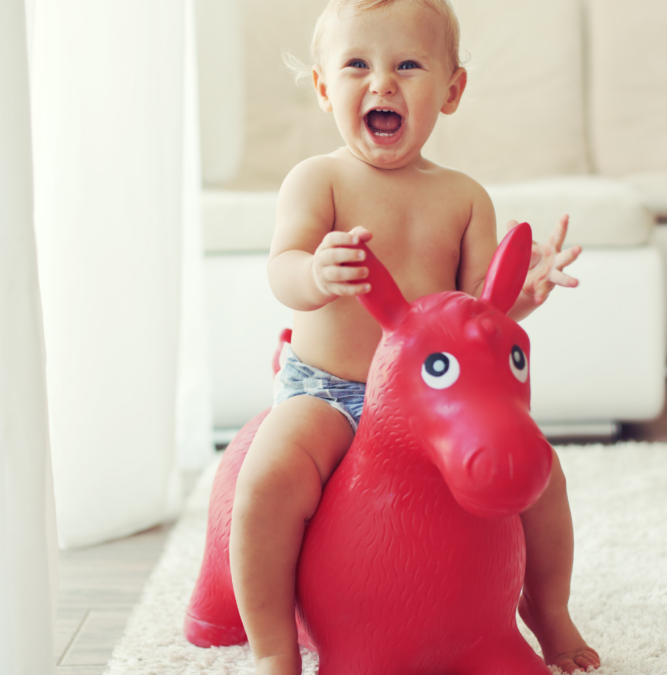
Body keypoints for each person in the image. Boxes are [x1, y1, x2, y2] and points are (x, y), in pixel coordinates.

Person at [228, 1, 601, 673]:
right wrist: (314, 271)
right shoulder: (319, 180)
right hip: (330, 393)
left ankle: (548, 608)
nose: (382, 84)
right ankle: (272, 648)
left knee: (543, 474)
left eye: (407, 64)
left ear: (452, 90)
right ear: (322, 87)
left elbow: (481, 309)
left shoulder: (462, 198)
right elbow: (281, 270)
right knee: (267, 476)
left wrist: (527, 293)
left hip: (440, 406)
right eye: (356, 65)